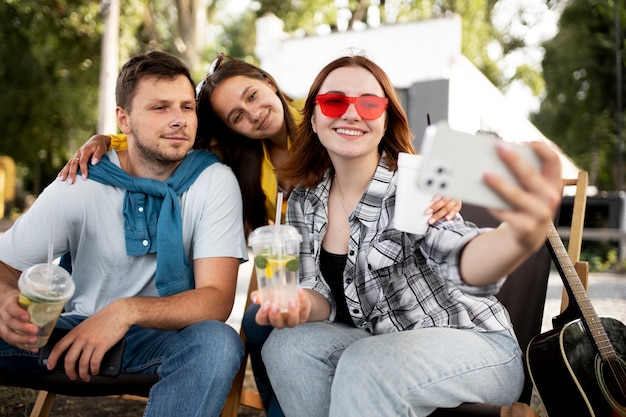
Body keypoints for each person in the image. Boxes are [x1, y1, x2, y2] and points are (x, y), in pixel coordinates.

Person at [57, 54, 463, 417]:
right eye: (236, 116)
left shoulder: (327, 117)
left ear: (270, 82)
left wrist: (444, 184)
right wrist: (110, 141)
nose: (252, 114)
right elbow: (171, 139)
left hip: (363, 271)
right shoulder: (246, 161)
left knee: (270, 323)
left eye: (252, 95)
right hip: (303, 270)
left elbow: (395, 155)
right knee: (257, 321)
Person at [253, 54, 563, 417]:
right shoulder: (306, 199)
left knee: (365, 364)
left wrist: (519, 236)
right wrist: (302, 304)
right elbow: (321, 298)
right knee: (285, 346)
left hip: (476, 348)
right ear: (316, 119)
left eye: (370, 104)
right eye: (334, 101)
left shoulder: (415, 183)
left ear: (385, 122)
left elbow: (461, 255)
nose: (351, 113)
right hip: (384, 345)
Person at [0, 51, 249, 417]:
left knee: (217, 343)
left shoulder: (213, 181)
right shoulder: (82, 179)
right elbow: (5, 267)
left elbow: (216, 300)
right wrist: (5, 301)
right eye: (160, 108)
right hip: (64, 336)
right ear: (124, 120)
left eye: (186, 107)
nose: (179, 119)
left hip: (159, 341)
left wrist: (124, 312)